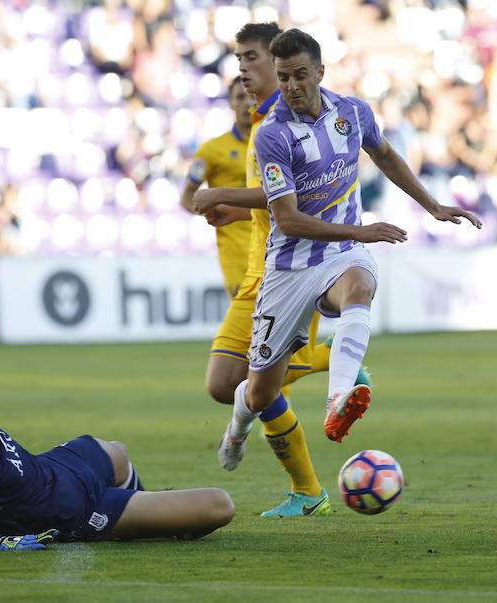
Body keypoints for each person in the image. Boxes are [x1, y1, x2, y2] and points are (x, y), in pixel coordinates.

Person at [217, 29, 481, 468]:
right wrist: (361, 232)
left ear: (320, 72)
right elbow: (286, 218)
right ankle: (237, 429)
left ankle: (338, 397)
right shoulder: (273, 135)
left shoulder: (352, 113)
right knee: (261, 391)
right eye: (283, 78)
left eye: (300, 75)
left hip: (340, 255)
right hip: (289, 268)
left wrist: (431, 205)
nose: (291, 86)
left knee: (359, 285)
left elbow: (385, 154)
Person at [192, 22, 369, 518]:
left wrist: (222, 194)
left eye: (251, 58)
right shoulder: (263, 121)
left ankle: (309, 483)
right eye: (239, 59)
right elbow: (276, 197)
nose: (243, 68)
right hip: (261, 267)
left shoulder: (286, 121)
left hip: (290, 270)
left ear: (280, 63)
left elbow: (291, 203)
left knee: (233, 385)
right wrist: (238, 209)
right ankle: (325, 360)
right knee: (242, 386)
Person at [0, 299, 234, 551]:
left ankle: (148, 512)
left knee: (116, 452)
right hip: (76, 510)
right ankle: (146, 517)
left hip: (55, 468)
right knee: (219, 504)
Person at [179, 76, 255, 299]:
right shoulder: (212, 151)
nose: (247, 103)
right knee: (250, 325)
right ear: (231, 103)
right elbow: (187, 197)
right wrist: (212, 212)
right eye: (240, 97)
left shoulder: (273, 143)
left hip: (275, 247)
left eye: (251, 96)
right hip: (237, 254)